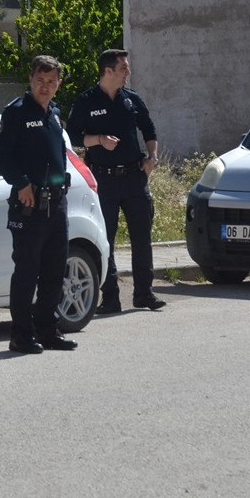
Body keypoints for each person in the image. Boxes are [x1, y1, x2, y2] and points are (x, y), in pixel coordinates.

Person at [67, 49, 165, 313]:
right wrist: (98, 140)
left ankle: (144, 293)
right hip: (102, 180)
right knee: (105, 240)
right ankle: (110, 298)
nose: (128, 73)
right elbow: (72, 136)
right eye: (123, 68)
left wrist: (152, 157)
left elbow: (149, 128)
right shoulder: (86, 100)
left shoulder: (131, 99)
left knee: (142, 238)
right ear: (108, 71)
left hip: (134, 177)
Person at [0, 55, 78, 354]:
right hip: (29, 206)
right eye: (40, 81)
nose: (46, 87)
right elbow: (3, 157)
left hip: (56, 204)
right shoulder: (16, 112)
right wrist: (21, 184)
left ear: (59, 83)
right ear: (31, 80)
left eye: (51, 82)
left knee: (55, 270)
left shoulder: (54, 113)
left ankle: (48, 330)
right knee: (27, 271)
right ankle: (21, 335)